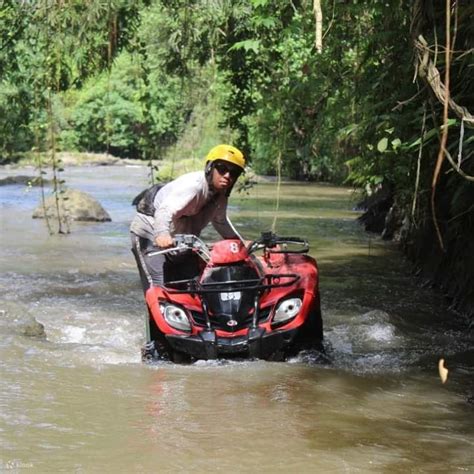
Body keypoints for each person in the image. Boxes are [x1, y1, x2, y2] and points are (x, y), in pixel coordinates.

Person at [130, 144, 245, 290]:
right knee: (159, 288)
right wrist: (162, 234)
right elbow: (164, 211)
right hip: (150, 232)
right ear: (210, 168)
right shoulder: (193, 186)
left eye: (234, 173)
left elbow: (220, 222)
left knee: (193, 286)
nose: (227, 176)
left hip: (181, 239)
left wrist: (240, 244)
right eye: (222, 169)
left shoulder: (221, 194)